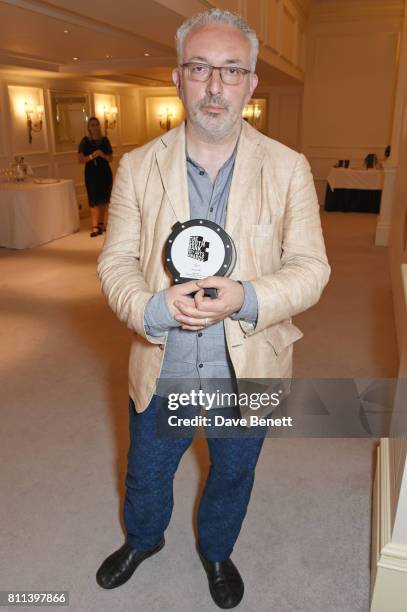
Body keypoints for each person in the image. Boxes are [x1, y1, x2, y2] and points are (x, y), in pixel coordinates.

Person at [96, 8, 330, 610]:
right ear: (178, 77)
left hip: (247, 364)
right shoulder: (138, 166)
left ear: (252, 82)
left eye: (232, 70)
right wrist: (151, 306)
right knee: (146, 471)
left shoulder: (288, 168)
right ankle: (143, 540)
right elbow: (115, 261)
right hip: (164, 361)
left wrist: (248, 297)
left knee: (232, 473)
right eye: (200, 68)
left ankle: (217, 552)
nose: (215, 85)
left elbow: (312, 268)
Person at [78, 117, 113, 237]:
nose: (95, 127)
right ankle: (94, 226)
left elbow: (110, 158)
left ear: (99, 126)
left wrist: (102, 154)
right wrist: (92, 156)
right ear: (89, 127)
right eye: (92, 125)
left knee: (104, 199)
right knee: (93, 200)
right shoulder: (85, 141)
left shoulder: (105, 140)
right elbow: (80, 160)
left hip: (104, 173)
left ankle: (101, 224)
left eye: (96, 125)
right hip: (91, 174)